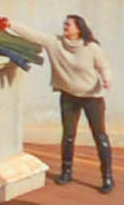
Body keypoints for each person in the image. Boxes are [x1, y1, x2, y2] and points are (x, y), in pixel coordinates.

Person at [45, 13, 116, 193]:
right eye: (64, 24)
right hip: (69, 96)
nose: (65, 26)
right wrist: (8, 24)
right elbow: (33, 35)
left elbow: (103, 66)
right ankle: (66, 171)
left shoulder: (91, 47)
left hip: (92, 97)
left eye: (69, 24)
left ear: (79, 28)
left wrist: (107, 78)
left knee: (100, 136)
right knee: (68, 135)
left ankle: (107, 177)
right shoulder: (55, 43)